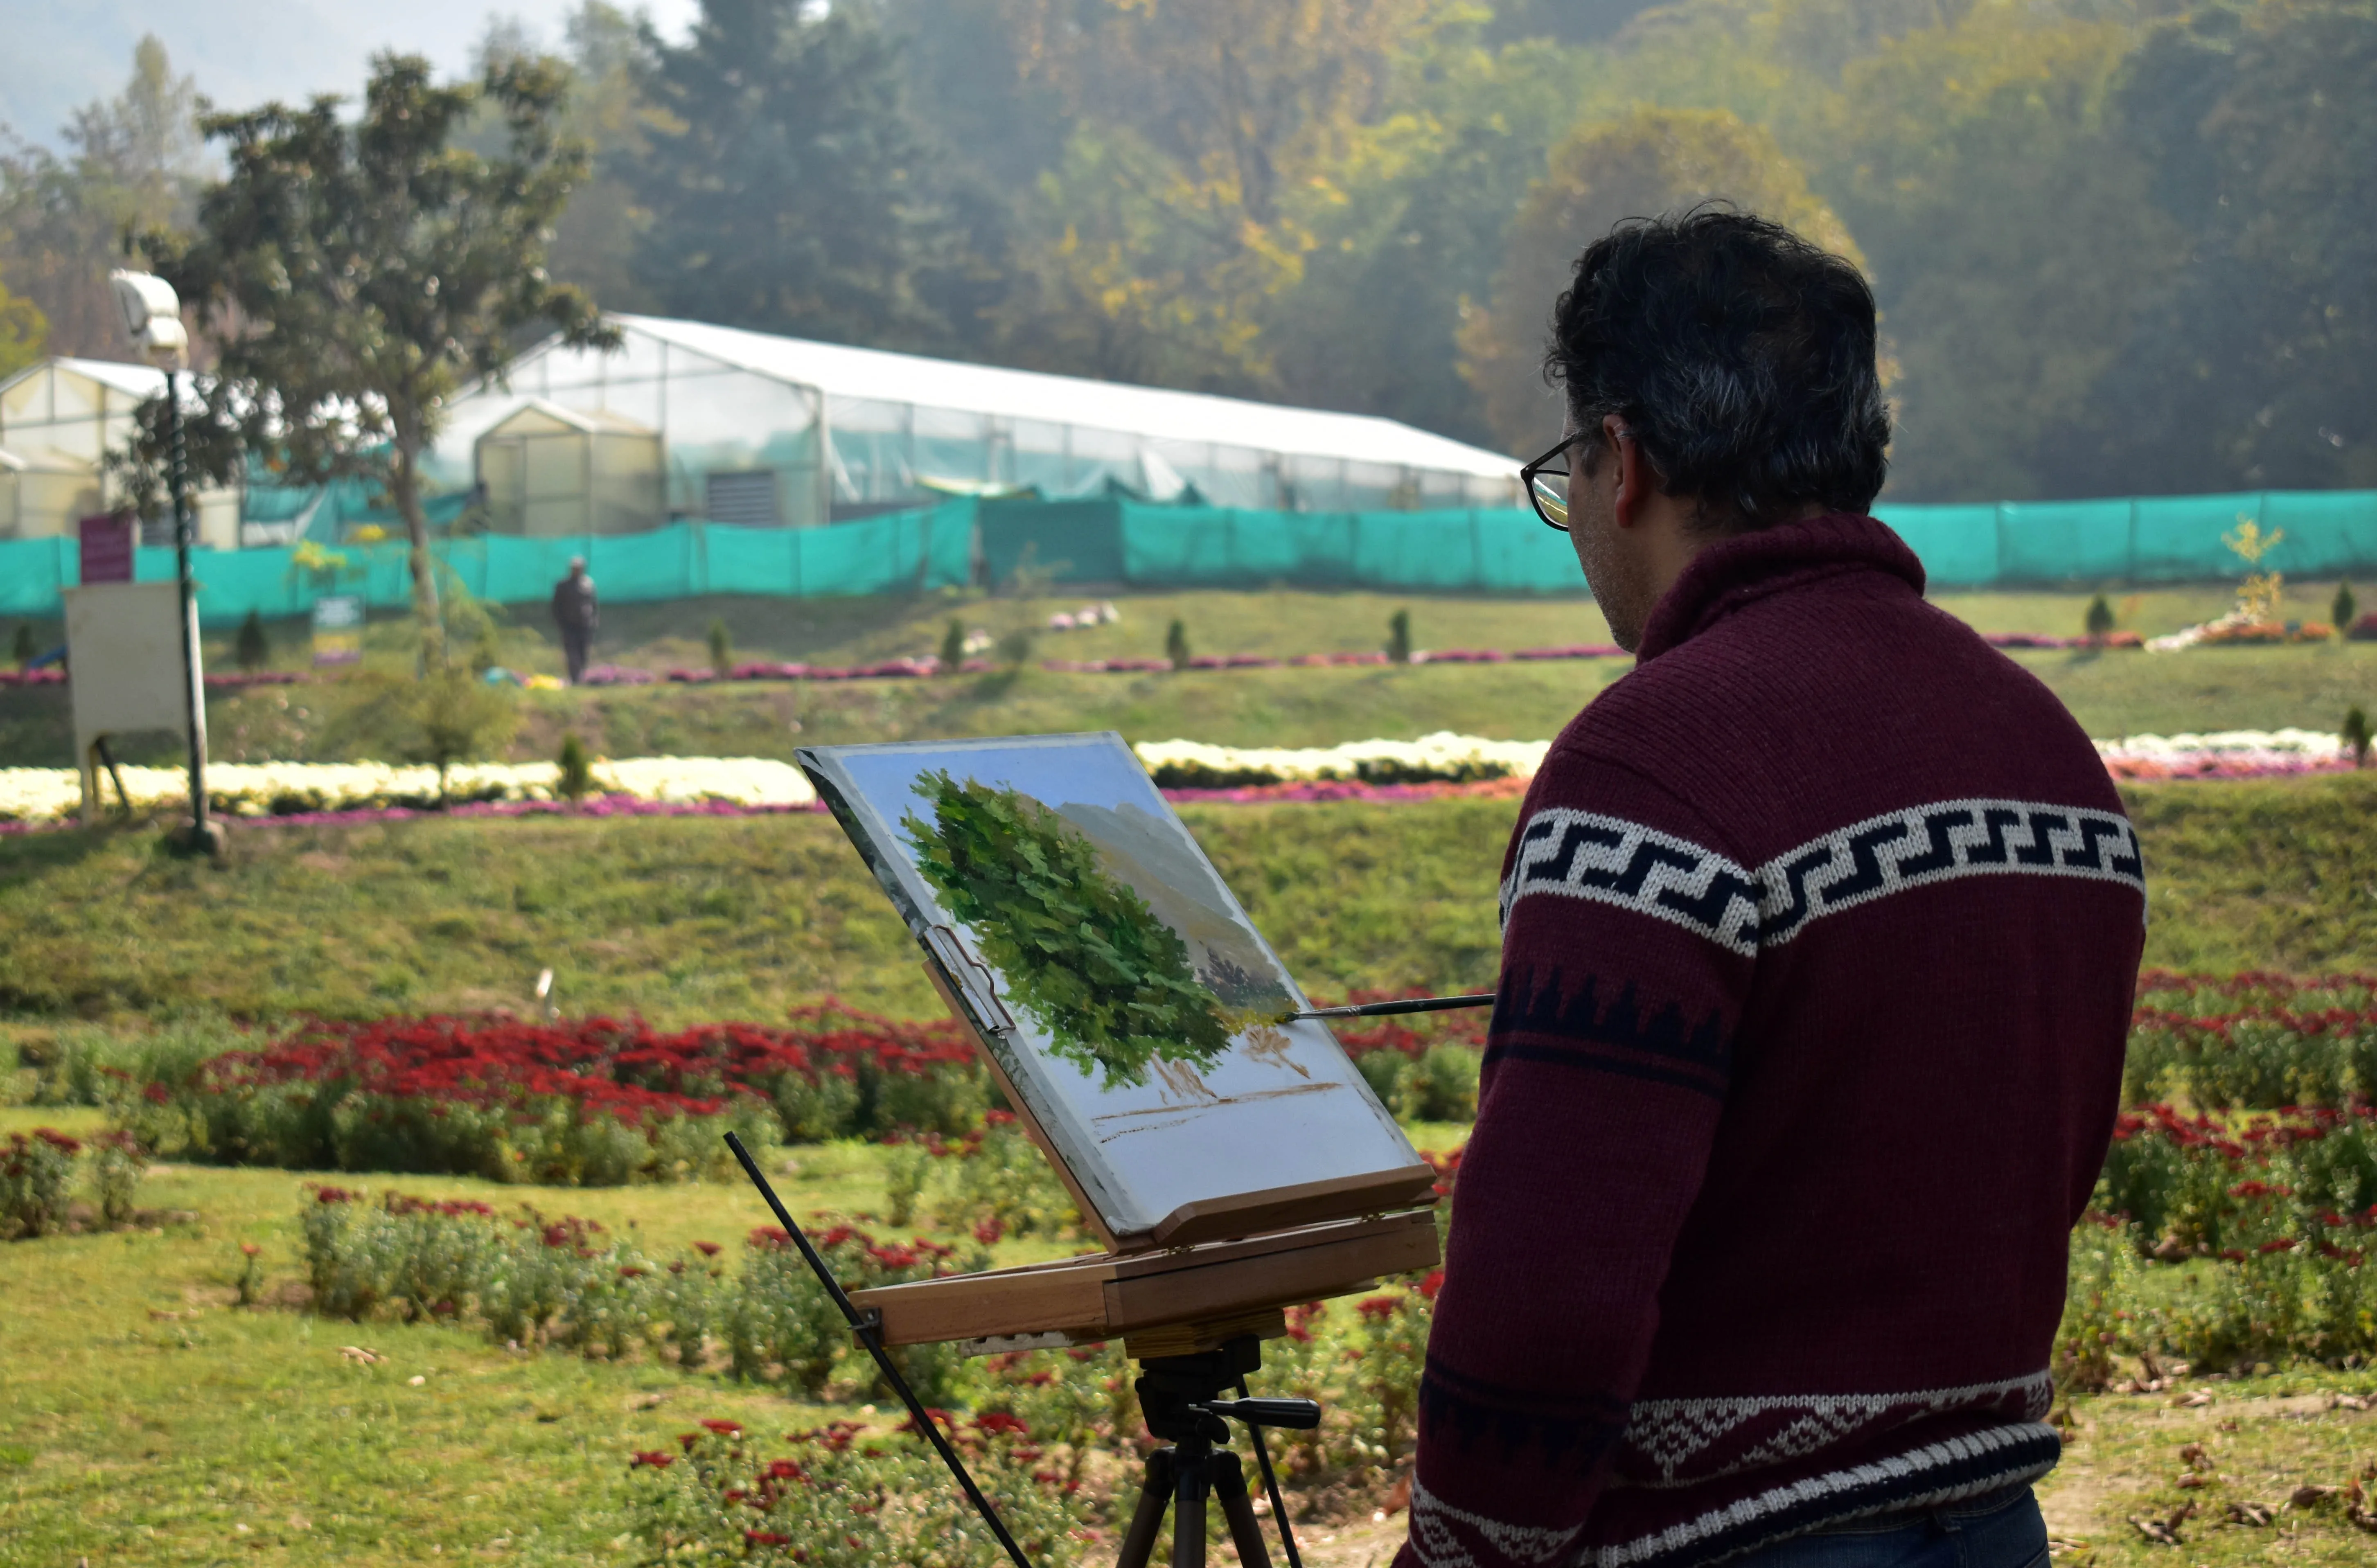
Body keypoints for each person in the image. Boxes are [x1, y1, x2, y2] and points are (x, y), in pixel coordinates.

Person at [1394, 210, 2143, 1568]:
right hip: (1990, 1524)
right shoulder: (2042, 748)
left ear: (1618, 461)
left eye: (1564, 471)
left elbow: (1548, 1292)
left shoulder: (1649, 766)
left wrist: (1457, 1551)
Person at [552, 557, 598, 684]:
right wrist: (561, 623)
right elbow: (557, 606)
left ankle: (581, 677)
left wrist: (594, 620)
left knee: (583, 652)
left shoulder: (588, 584)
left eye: (579, 568)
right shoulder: (563, 586)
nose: (577, 571)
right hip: (569, 625)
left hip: (585, 624)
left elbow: (593, 604)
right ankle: (574, 679)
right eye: (574, 568)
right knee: (572, 653)